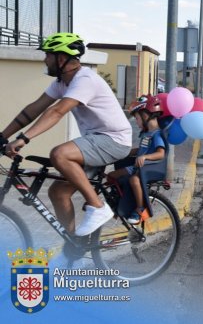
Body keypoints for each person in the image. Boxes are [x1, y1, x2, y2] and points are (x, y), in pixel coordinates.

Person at [1, 32, 132, 236]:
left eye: (48, 55)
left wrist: (23, 139)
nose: (45, 60)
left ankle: (97, 207)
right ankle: (73, 250)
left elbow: (57, 111)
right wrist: (3, 135)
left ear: (61, 58)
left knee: (60, 154)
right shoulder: (62, 82)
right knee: (58, 192)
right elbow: (33, 109)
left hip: (114, 141)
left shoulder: (85, 79)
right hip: (95, 142)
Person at [107, 95, 165, 224]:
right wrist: (124, 152)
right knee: (111, 176)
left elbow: (160, 153)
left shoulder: (157, 134)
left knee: (134, 179)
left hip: (147, 168)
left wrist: (145, 157)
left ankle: (139, 209)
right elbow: (140, 150)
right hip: (137, 166)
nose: (137, 122)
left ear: (145, 116)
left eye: (137, 118)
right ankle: (121, 204)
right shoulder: (146, 134)